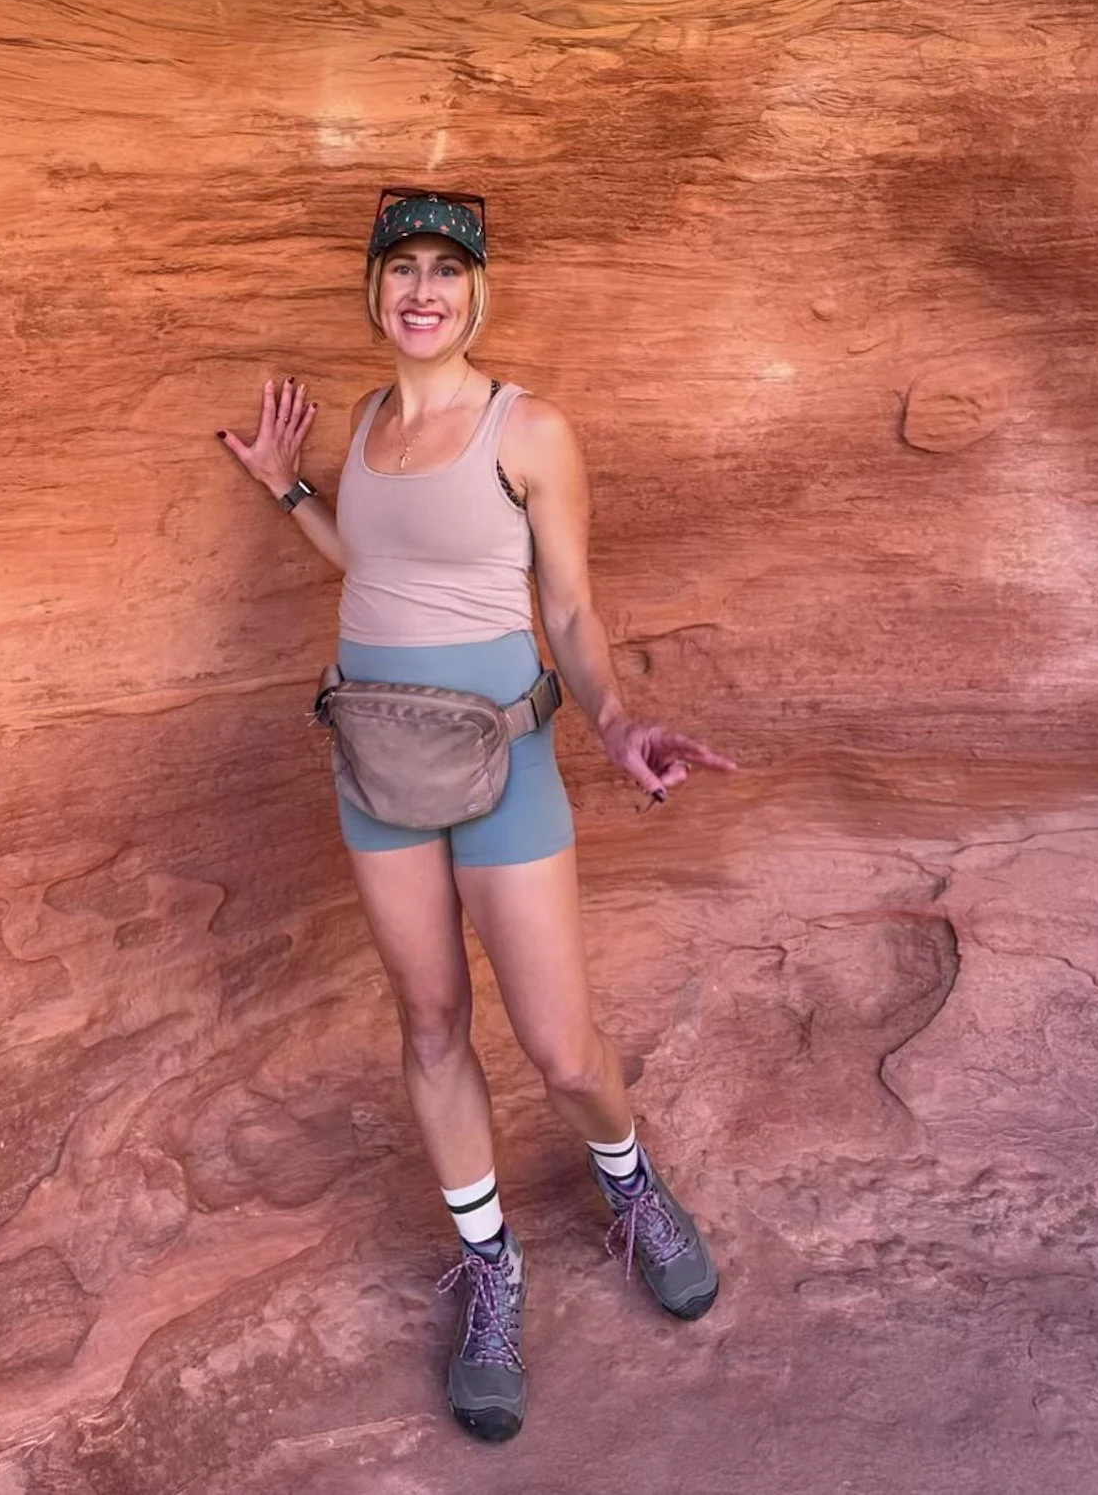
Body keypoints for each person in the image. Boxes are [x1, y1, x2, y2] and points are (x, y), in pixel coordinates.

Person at [215, 188, 736, 1444]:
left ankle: (630, 1185)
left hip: (506, 762)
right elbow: (380, 566)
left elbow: (569, 607)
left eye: (446, 270)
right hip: (378, 762)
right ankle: (490, 1266)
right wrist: (289, 492)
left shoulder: (528, 429)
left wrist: (614, 720)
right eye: (402, 267)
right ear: (375, 289)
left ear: (476, 293)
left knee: (560, 1049)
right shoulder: (365, 425)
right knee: (433, 1021)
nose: (423, 290)